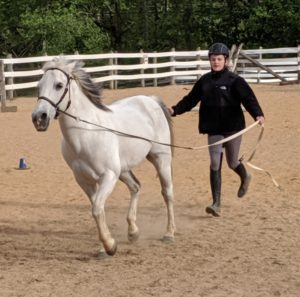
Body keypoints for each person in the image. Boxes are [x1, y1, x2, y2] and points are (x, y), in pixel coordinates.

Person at [169, 42, 265, 217]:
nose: (216, 62)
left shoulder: (235, 80)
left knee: (232, 162)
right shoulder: (204, 81)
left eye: (219, 59)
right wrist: (174, 110)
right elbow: (190, 100)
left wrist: (258, 114)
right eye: (213, 59)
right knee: (214, 163)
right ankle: (216, 203)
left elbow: (248, 98)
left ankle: (245, 176)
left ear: (226, 60)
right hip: (213, 128)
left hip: (233, 128)